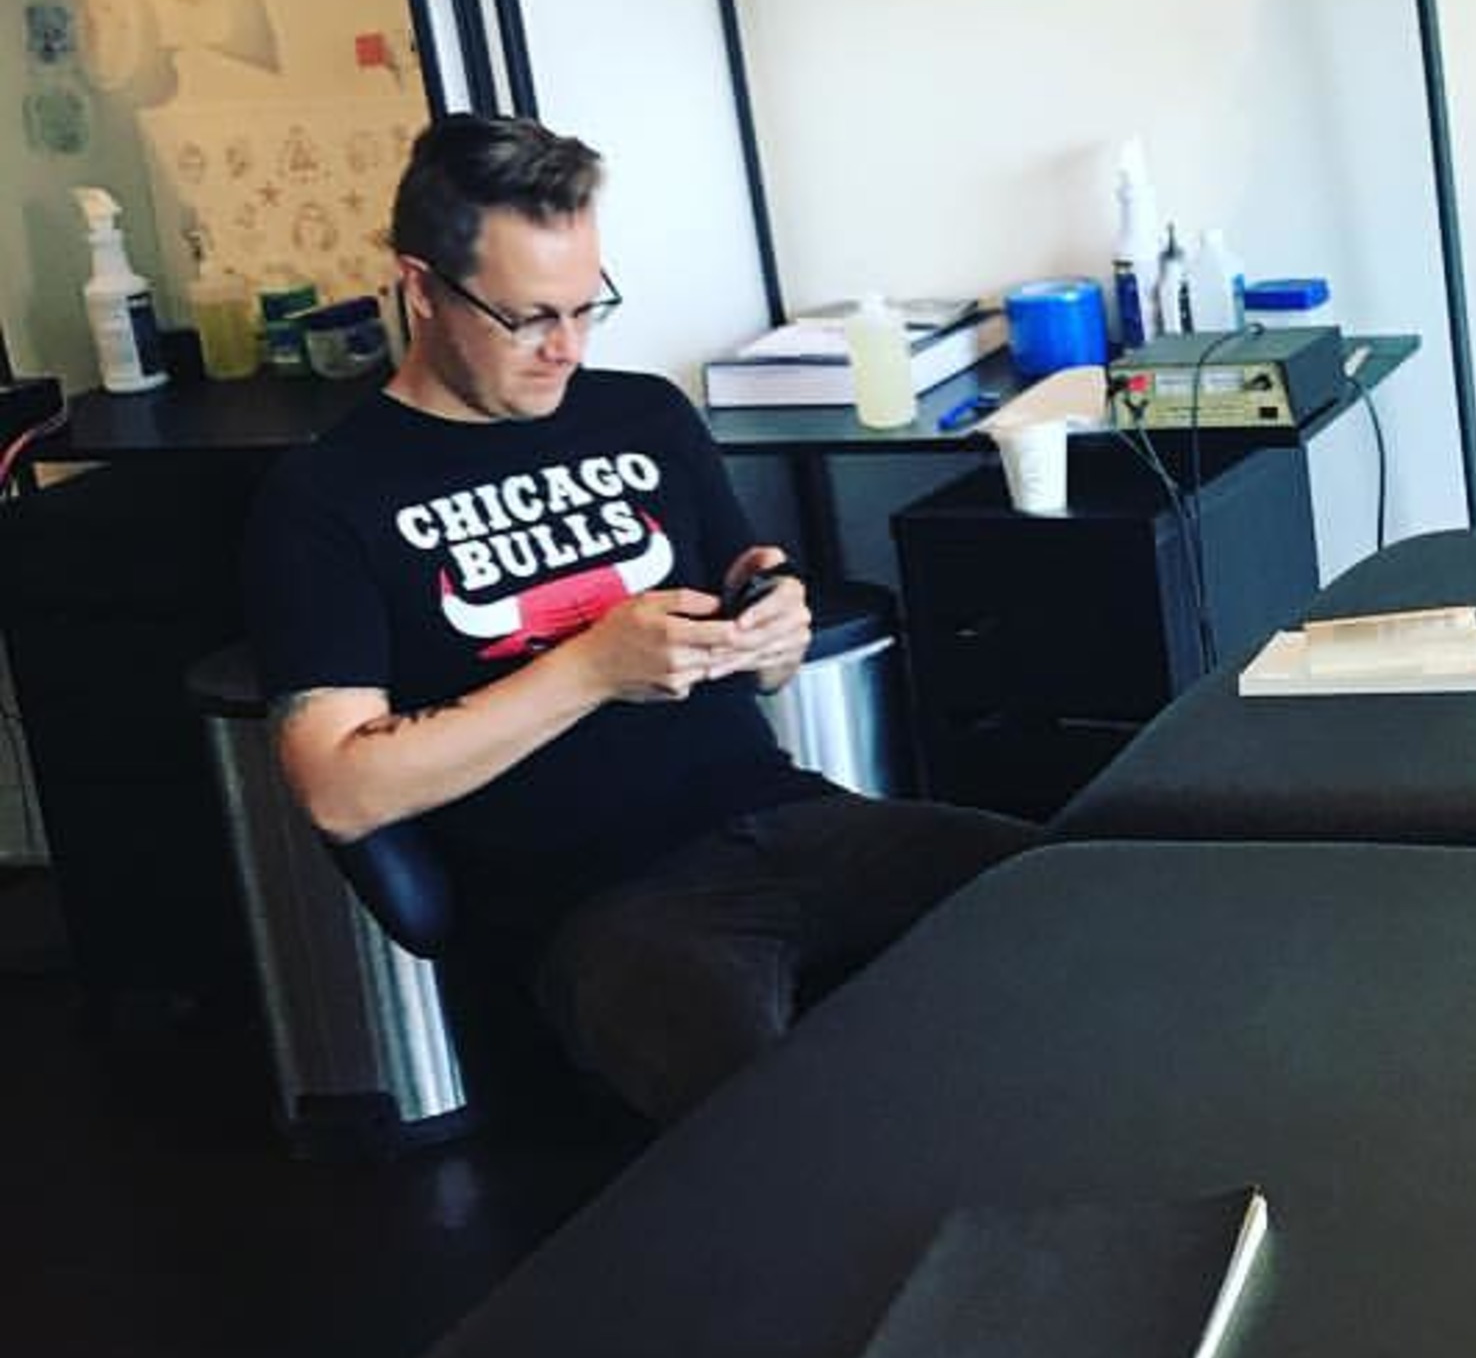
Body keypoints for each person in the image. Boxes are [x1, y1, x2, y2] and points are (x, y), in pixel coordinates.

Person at [248, 113, 1034, 1127]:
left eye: (588, 308)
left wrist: (774, 626)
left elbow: (754, 629)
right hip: (595, 902)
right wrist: (587, 669)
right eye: (528, 318)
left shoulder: (644, 415)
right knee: (772, 1120)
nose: (567, 349)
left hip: (794, 820)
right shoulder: (327, 497)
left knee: (1078, 899)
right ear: (422, 288)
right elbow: (340, 790)